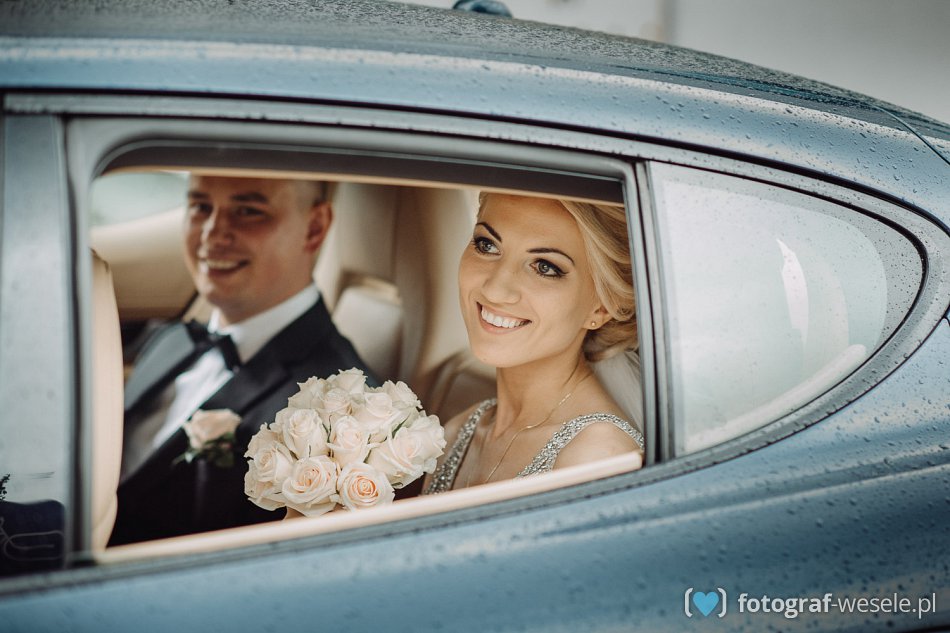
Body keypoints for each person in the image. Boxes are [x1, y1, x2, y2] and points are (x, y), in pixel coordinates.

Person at [109, 175, 375, 545]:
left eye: (248, 211)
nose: (212, 233)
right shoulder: (171, 337)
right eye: (201, 207)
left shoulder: (340, 414)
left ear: (314, 228)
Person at [424, 193, 644, 493]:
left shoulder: (598, 459)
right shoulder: (457, 432)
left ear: (601, 308)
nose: (496, 290)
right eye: (487, 245)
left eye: (544, 267)